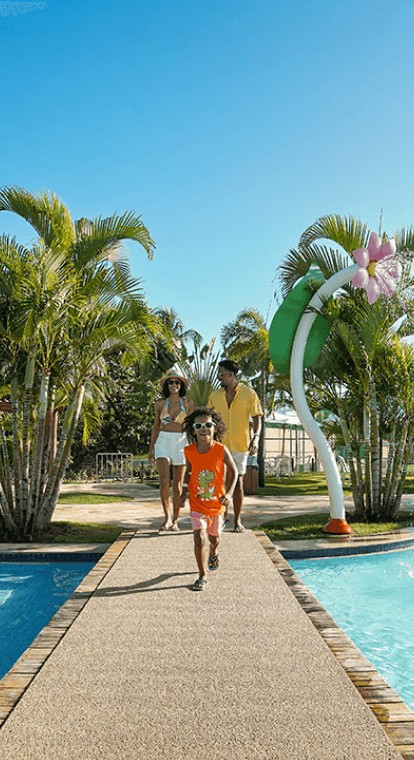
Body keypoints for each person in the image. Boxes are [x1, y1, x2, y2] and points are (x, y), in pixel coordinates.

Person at [178, 407, 238, 591]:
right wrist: (183, 493)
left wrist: (228, 494)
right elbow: (188, 472)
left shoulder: (221, 450)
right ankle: (202, 575)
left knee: (214, 539)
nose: (204, 429)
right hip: (197, 504)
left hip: (216, 505)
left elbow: (234, 473)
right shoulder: (189, 451)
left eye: (208, 425)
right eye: (199, 425)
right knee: (199, 538)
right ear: (193, 430)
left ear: (215, 428)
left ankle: (214, 552)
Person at [208, 359, 263, 532]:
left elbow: (256, 418)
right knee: (219, 482)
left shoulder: (249, 394)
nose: (219, 377)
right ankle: (222, 516)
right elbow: (209, 418)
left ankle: (237, 520)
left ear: (231, 375)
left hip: (240, 444)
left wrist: (256, 438)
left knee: (238, 482)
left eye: (221, 374)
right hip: (218, 445)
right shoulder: (214, 396)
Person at [148, 370, 194, 531]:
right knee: (163, 480)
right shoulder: (160, 403)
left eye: (177, 382)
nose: (174, 385)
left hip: (181, 441)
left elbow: (192, 427)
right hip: (163, 439)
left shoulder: (188, 404)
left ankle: (176, 520)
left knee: (178, 484)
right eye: (171, 382)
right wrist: (151, 449)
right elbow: (155, 427)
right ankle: (167, 518)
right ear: (166, 385)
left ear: (181, 386)